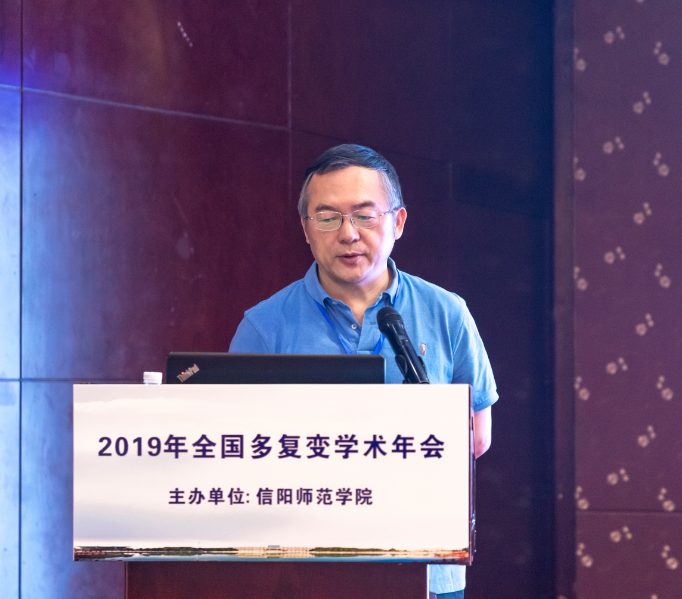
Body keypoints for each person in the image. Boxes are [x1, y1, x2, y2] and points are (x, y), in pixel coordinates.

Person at [229, 144, 498, 598]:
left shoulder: (447, 312)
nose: (348, 233)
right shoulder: (265, 325)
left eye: (365, 215)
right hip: (301, 570)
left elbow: (476, 435)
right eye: (328, 218)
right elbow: (231, 449)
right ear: (306, 229)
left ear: (398, 222)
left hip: (425, 564)